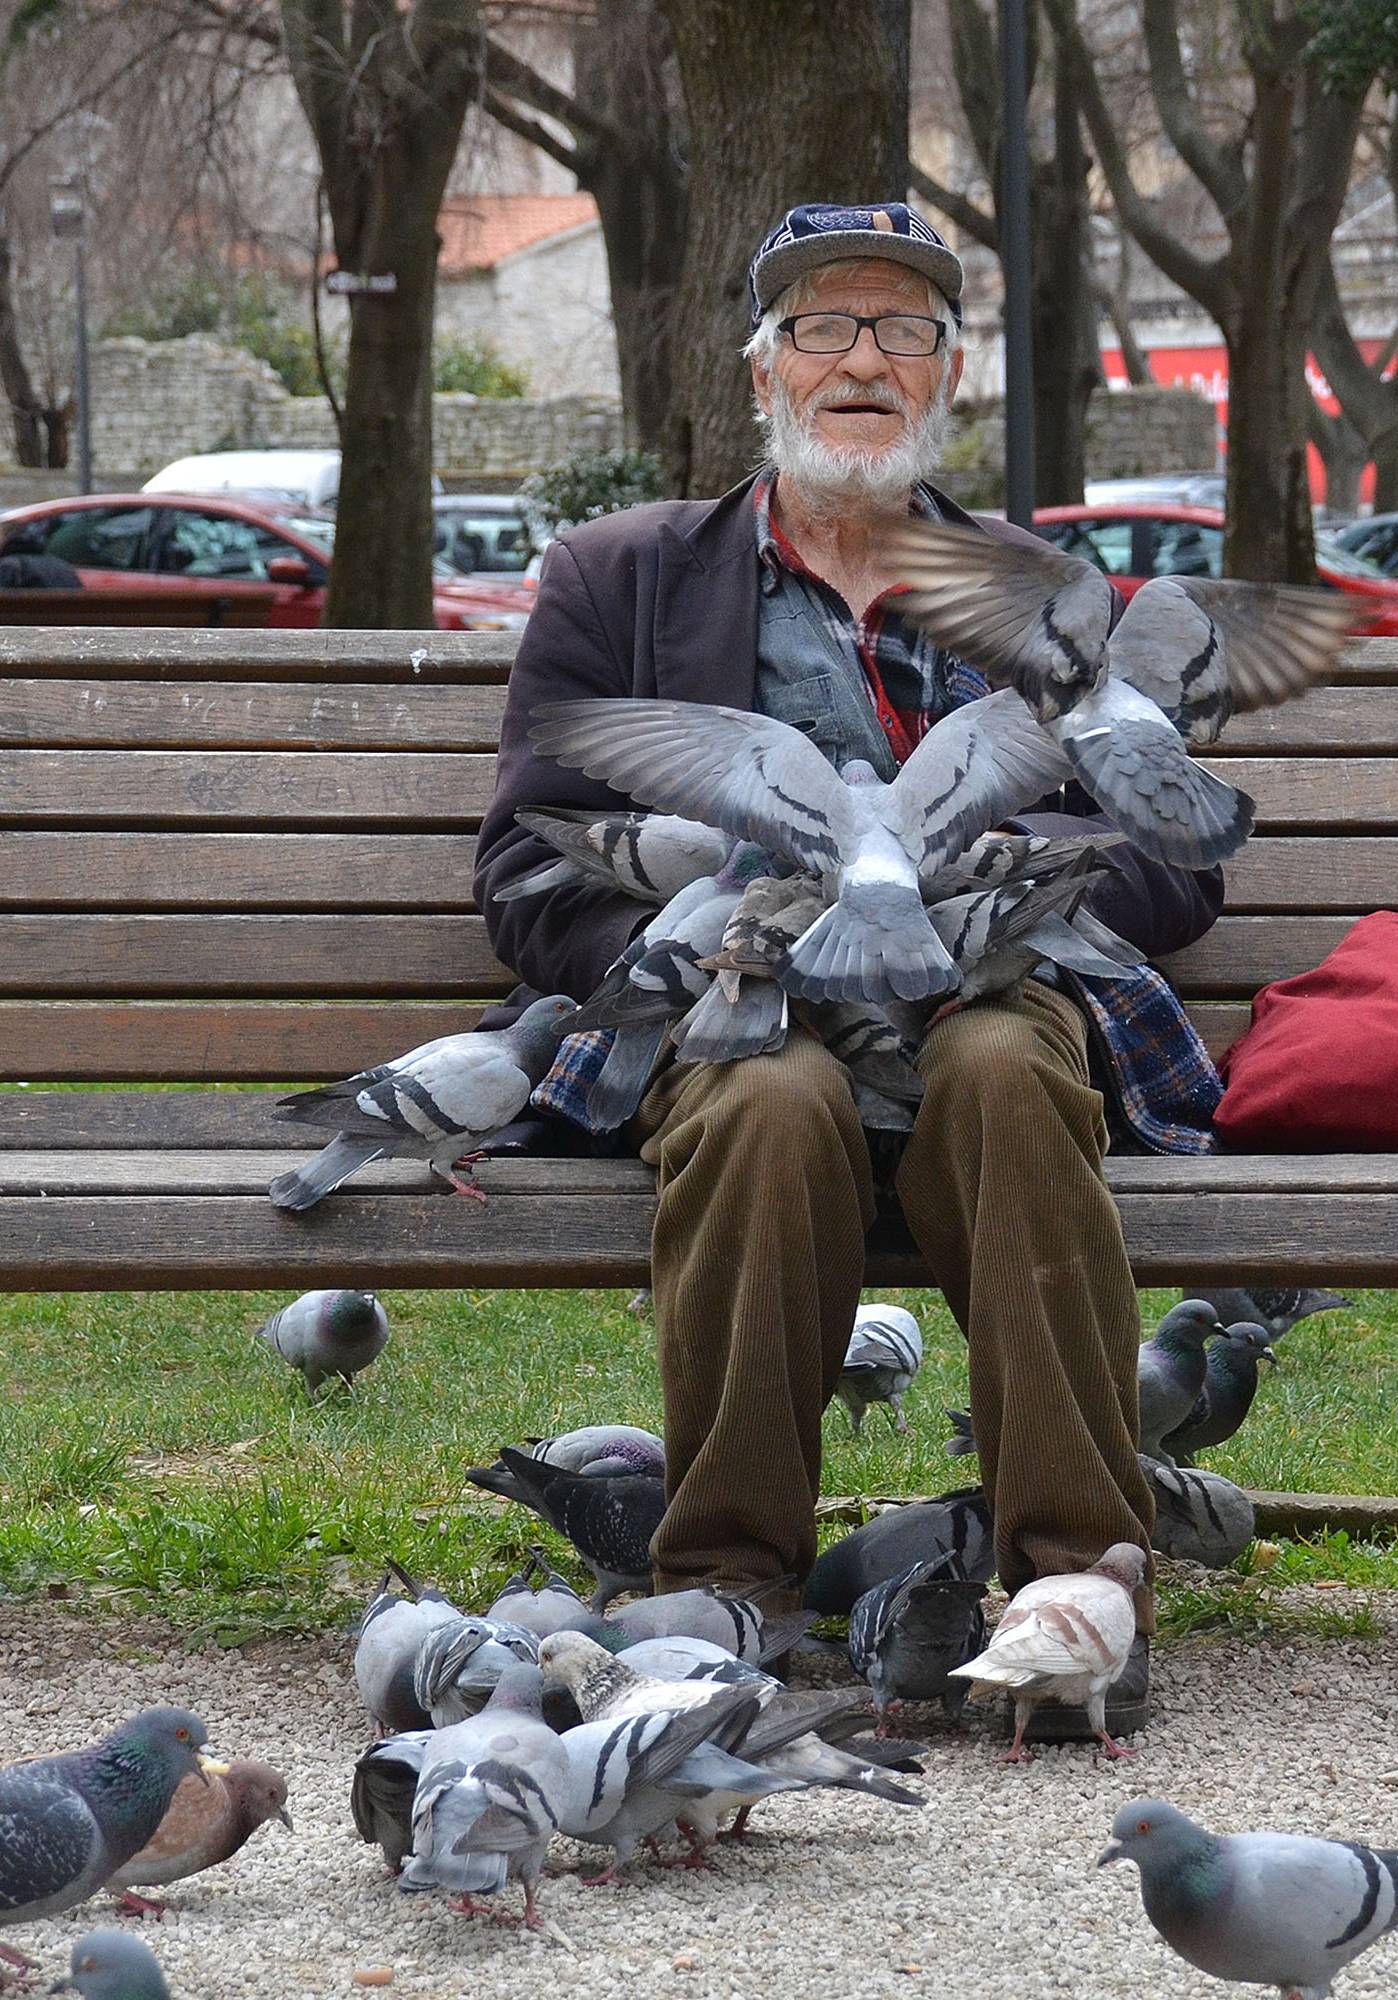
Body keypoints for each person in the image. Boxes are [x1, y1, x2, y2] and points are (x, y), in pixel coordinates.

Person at [474, 201, 1226, 1740]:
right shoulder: (621, 582)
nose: (863, 358)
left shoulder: (1041, 593)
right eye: (824, 326)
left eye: (904, 330)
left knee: (1010, 1069)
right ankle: (729, 1592)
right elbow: (530, 869)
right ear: (765, 374)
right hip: (738, 1017)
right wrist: (704, 948)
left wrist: (1017, 898)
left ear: (949, 376)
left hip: (980, 1000)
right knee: (767, 1101)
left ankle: (1074, 1590)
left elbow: (1170, 854)